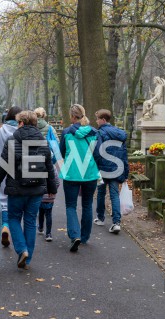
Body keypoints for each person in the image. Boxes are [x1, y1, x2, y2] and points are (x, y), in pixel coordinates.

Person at [0, 110, 57, 270]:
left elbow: (2, 165)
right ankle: (27, 259)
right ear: (35, 123)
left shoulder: (13, 141)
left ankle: (22, 249)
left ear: (20, 123)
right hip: (36, 190)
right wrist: (51, 188)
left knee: (13, 218)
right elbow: (49, 167)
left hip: (17, 188)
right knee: (30, 221)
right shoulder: (43, 142)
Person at [59, 104, 100, 252]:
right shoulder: (94, 132)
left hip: (72, 173)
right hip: (89, 174)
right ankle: (84, 236)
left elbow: (62, 152)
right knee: (87, 205)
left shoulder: (66, 132)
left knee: (71, 205)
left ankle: (74, 235)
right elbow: (98, 154)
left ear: (72, 117)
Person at [0, 106, 22, 247]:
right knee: (18, 200)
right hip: (21, 172)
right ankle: (17, 233)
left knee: (3, 200)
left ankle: (5, 226)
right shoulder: (23, 131)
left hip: (2, 170)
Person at [93, 109, 129, 234]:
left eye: (97, 119)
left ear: (103, 120)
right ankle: (116, 222)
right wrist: (126, 172)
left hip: (103, 168)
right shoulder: (120, 134)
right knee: (114, 195)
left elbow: (97, 152)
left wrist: (95, 168)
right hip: (116, 168)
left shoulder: (100, 133)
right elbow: (124, 154)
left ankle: (101, 218)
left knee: (101, 193)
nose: (96, 121)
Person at [35, 107, 60, 241]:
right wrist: (52, 161)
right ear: (44, 116)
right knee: (48, 208)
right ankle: (48, 233)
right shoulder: (50, 128)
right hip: (47, 160)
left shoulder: (31, 127)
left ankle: (39, 226)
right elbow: (56, 144)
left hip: (32, 163)